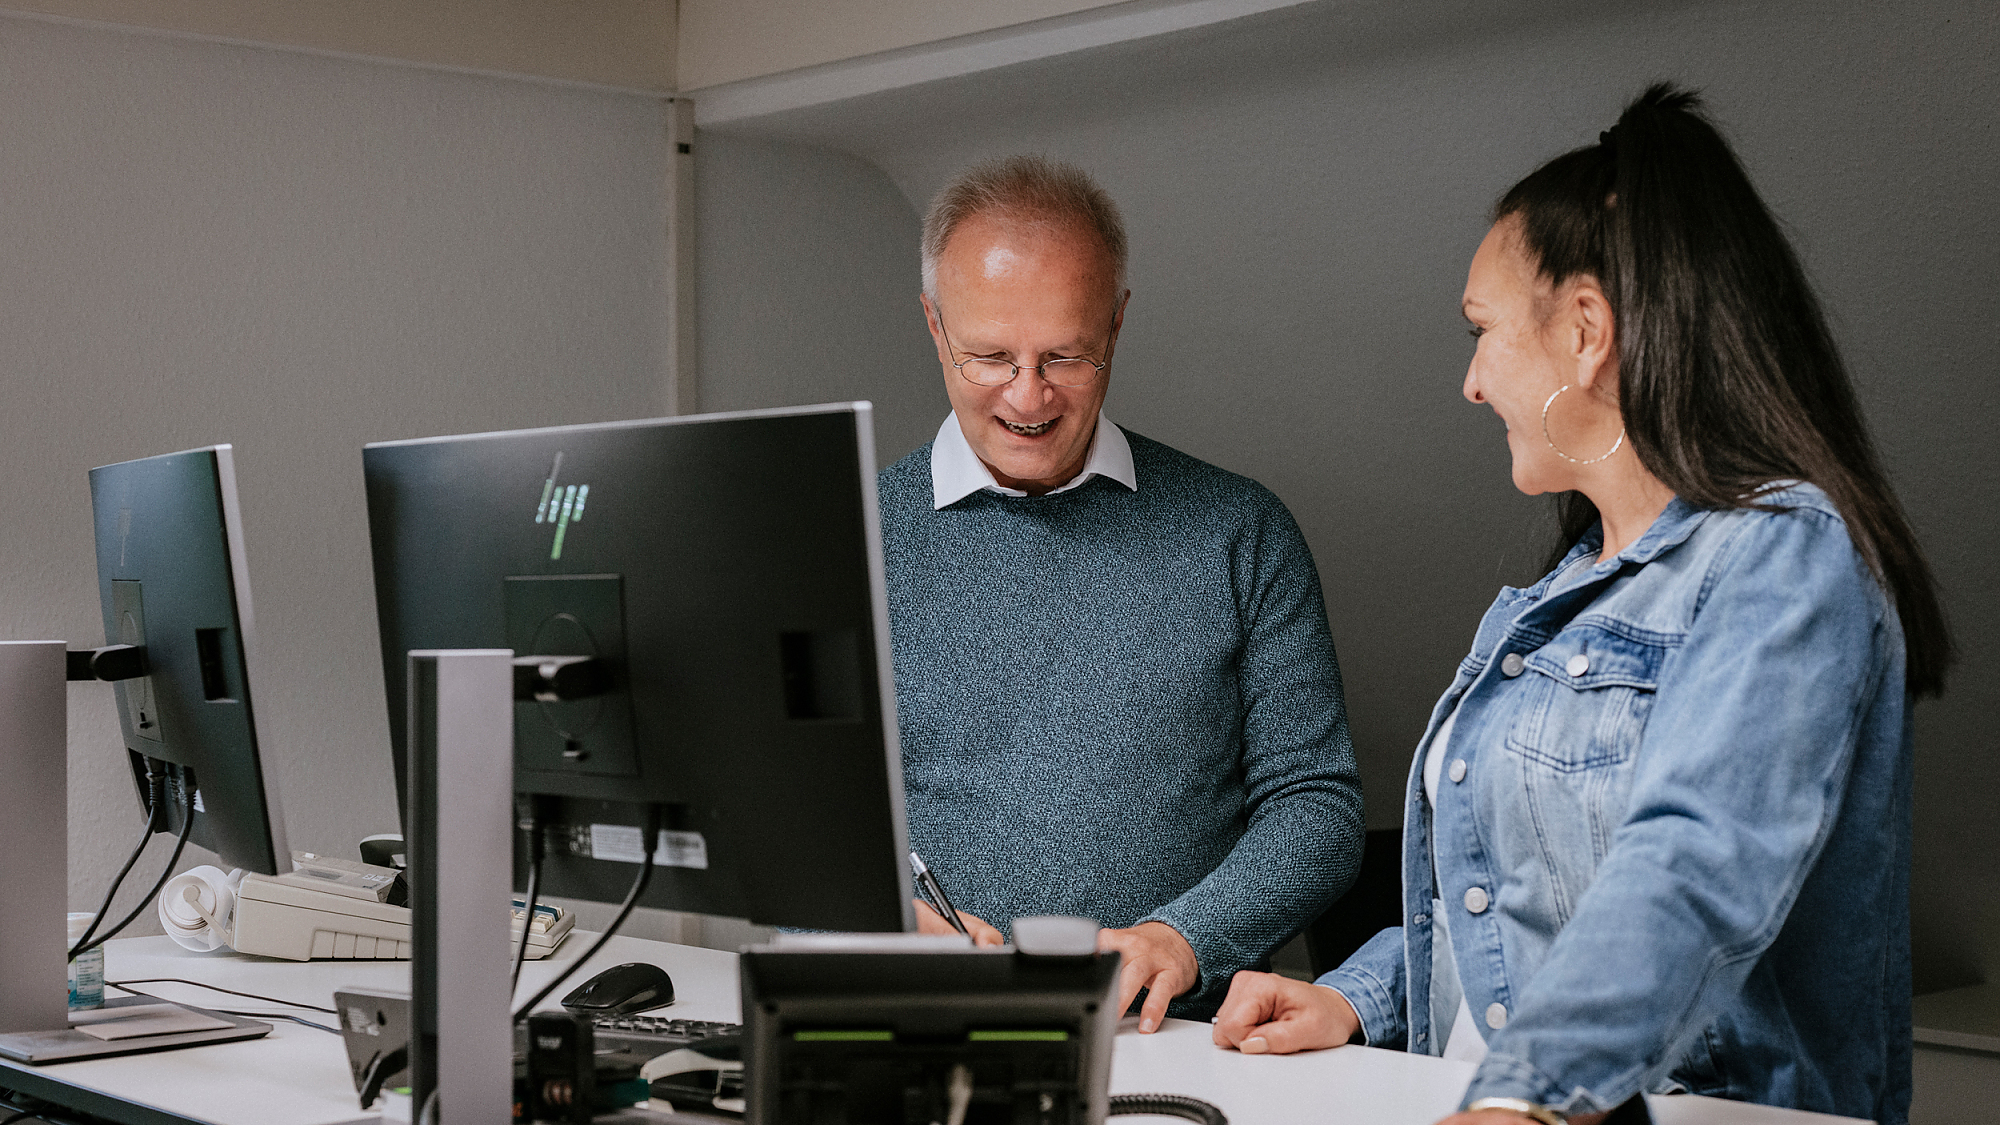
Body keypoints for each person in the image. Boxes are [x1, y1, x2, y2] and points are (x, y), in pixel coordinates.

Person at [1210, 85, 1950, 1125]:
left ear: (1586, 331)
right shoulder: (1555, 594)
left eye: (1480, 332)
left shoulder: (1783, 551)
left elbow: (1690, 868)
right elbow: (1516, 892)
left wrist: (1521, 1102)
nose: (1469, 383)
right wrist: (1354, 994)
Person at [878, 155, 1366, 1029]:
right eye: (989, 355)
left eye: (1065, 353)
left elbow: (1318, 808)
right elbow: (786, 831)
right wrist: (870, 919)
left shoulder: (1240, 531)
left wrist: (1187, 935)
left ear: (1117, 322)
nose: (1028, 395)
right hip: (923, 1027)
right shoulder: (857, 534)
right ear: (932, 324)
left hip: (1183, 1044)